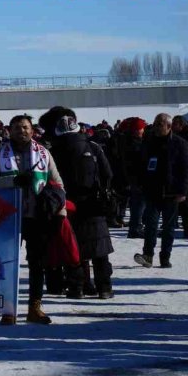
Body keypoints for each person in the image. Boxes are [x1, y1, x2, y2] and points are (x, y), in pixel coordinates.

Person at [0, 114, 66, 325]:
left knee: (37, 263)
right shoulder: (1, 153)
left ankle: (34, 307)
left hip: (37, 215)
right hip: (9, 216)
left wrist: (59, 210)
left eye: (26, 127)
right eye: (18, 128)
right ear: (9, 131)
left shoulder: (43, 152)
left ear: (32, 130)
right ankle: (8, 309)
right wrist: (13, 181)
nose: (22, 131)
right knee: (7, 263)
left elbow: (58, 184)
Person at [48, 110, 115, 299]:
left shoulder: (53, 151)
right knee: (99, 247)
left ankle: (76, 286)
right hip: (94, 203)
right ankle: (105, 287)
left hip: (66, 204)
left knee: (72, 247)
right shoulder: (93, 147)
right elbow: (108, 174)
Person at [134, 113, 188, 269]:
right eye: (155, 123)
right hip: (152, 191)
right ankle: (148, 256)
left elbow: (186, 169)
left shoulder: (180, 143)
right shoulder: (149, 142)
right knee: (150, 225)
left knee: (168, 227)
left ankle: (165, 257)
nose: (157, 127)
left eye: (160, 124)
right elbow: (141, 164)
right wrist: (140, 183)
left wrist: (183, 191)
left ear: (168, 126)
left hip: (172, 193)